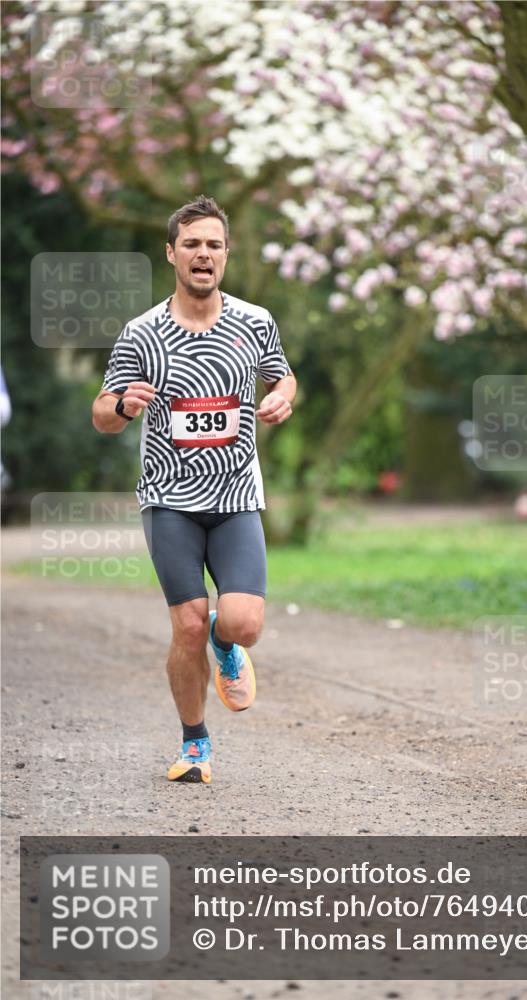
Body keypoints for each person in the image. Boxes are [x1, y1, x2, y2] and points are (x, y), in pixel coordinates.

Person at [92, 195, 296, 785]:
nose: (202, 254)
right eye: (191, 244)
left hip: (235, 500)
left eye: (213, 244)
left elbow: (282, 372)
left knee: (244, 622)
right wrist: (125, 405)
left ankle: (225, 643)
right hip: (170, 501)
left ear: (226, 254)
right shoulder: (143, 333)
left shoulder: (255, 323)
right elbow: (102, 411)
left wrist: (283, 395)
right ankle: (195, 744)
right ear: (172, 254)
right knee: (184, 624)